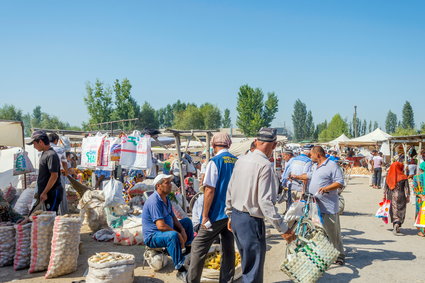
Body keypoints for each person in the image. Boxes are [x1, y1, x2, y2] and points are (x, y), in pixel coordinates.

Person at [226, 128, 294, 283]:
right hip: (250, 221)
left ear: (256, 142)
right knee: (253, 270)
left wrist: (229, 213)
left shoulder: (242, 160)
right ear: (274, 145)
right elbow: (265, 202)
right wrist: (283, 228)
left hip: (237, 217)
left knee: (247, 264)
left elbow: (230, 189)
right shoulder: (264, 165)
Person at [187, 132, 237, 283]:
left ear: (213, 146)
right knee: (229, 249)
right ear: (229, 144)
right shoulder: (237, 161)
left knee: (198, 246)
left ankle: (192, 280)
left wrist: (204, 215)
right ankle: (226, 280)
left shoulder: (215, 161)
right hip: (232, 214)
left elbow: (209, 190)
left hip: (216, 214)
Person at [292, 146, 345, 265]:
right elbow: (310, 176)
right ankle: (327, 254)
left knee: (333, 232)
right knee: (320, 231)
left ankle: (340, 255)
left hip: (329, 206)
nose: (310, 157)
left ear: (318, 155)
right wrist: (296, 177)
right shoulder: (316, 166)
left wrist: (326, 188)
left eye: (311, 154)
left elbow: (340, 182)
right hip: (316, 205)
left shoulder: (332, 165)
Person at [142, 174, 194, 282]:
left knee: (187, 222)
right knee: (173, 235)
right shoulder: (154, 201)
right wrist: (178, 233)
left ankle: (187, 253)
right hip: (153, 236)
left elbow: (173, 217)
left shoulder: (166, 199)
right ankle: (180, 269)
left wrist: (182, 229)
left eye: (170, 182)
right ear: (158, 186)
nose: (170, 185)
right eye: (167, 183)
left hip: (164, 231)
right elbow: (160, 226)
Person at [27, 131, 63, 213]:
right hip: (46, 193)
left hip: (53, 192)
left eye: (34, 144)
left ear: (40, 142)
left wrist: (44, 192)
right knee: (45, 218)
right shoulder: (44, 154)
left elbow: (54, 176)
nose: (34, 147)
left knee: (51, 217)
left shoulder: (51, 155)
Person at [384, 161, 410, 235]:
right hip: (401, 195)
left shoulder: (388, 176)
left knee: (393, 210)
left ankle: (395, 224)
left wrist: (384, 196)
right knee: (401, 210)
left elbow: (385, 188)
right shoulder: (404, 177)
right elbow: (407, 188)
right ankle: (397, 224)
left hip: (390, 195)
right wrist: (408, 196)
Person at [413, 162, 425, 237]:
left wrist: (421, 196)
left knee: (420, 213)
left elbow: (415, 189)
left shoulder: (416, 177)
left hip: (420, 199)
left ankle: (422, 231)